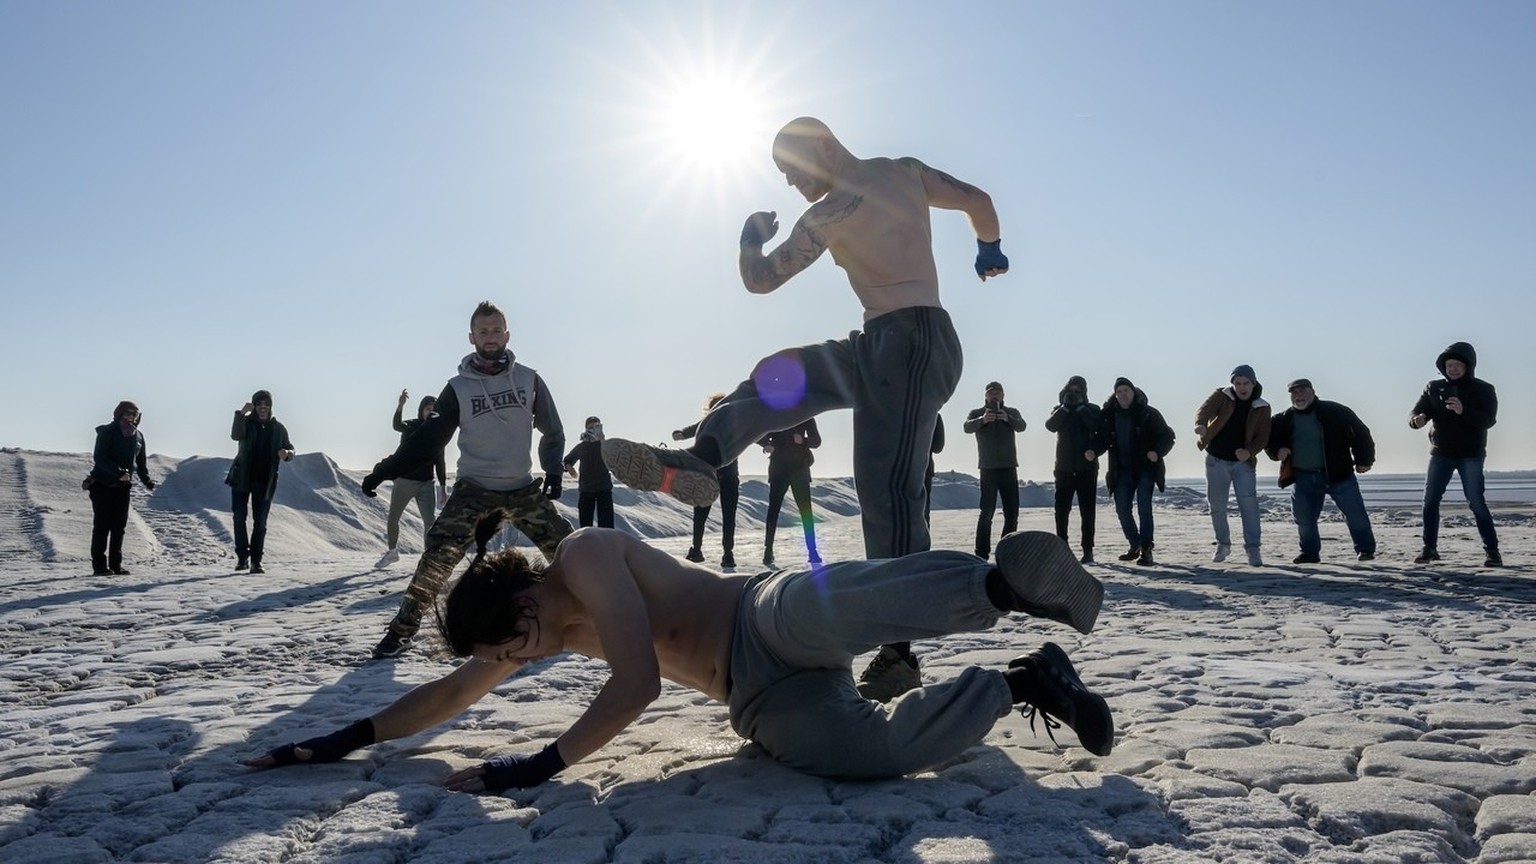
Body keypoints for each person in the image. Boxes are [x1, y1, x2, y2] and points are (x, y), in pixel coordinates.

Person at [244, 514, 1113, 792]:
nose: (518, 662)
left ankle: (999, 586)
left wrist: (534, 767)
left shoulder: (585, 556)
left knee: (829, 604)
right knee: (864, 753)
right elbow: (445, 698)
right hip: (761, 700)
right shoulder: (524, 639)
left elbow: (639, 683)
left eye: (510, 645)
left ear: (520, 600)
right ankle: (1021, 681)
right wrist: (338, 740)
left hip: (759, 620)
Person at [602, 117, 1007, 701]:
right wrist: (989, 248)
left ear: (822, 144)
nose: (793, 184)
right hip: (874, 344)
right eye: (785, 179)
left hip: (917, 340)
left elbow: (761, 276)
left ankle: (899, 656)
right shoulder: (838, 207)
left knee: (885, 489)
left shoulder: (897, 176)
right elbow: (979, 204)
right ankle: (702, 459)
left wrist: (750, 239)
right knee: (779, 374)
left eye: (793, 170)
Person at [360, 301, 575, 659]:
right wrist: (384, 470)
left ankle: (595, 615)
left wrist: (553, 470)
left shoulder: (529, 379)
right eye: (483, 331)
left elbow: (552, 429)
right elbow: (427, 440)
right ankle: (401, 632)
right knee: (438, 556)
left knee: (572, 551)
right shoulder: (458, 388)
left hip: (521, 487)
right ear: (471, 337)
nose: (490, 338)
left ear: (507, 334)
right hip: (474, 489)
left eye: (496, 330)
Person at [1408, 341, 1501, 567]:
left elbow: (1488, 420)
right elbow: (1417, 410)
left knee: (1476, 502)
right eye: (1449, 365)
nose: (1453, 369)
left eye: (1457, 365)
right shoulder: (1434, 387)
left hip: (1471, 454)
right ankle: (1429, 548)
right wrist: (1416, 420)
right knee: (1430, 501)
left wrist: (1463, 410)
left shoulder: (1483, 389)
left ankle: (1492, 551)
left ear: (1468, 366)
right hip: (1441, 453)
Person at [1265, 379, 1377, 564]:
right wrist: (1277, 451)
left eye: (1302, 391)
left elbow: (1361, 434)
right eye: (1294, 392)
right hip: (1303, 477)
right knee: (1303, 518)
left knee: (1355, 514)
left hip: (1338, 475)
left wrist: (1364, 461)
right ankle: (1309, 553)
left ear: (1312, 392)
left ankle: (1365, 549)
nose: (1298, 395)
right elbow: (1269, 441)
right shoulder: (1282, 419)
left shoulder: (1335, 412)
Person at [1194, 365, 1272, 566]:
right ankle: (1223, 544)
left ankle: (1253, 549)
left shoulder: (1262, 406)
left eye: (1246, 383)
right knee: (1217, 505)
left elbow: (1263, 436)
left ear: (1253, 384)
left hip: (1242, 464)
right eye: (1238, 383)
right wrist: (1201, 424)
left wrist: (1249, 452)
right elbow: (1204, 410)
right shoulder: (1222, 395)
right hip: (1216, 460)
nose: (1241, 387)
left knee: (1249, 506)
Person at [1092, 378, 1174, 566]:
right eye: (1119, 391)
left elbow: (1167, 436)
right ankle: (1134, 544)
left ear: (1133, 392)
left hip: (1145, 468)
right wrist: (1093, 451)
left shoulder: (1148, 413)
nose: (1123, 394)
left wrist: (1157, 452)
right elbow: (1102, 440)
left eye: (1126, 390)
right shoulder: (1109, 416)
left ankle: (1146, 549)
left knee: (1144, 508)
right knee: (1122, 509)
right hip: (1121, 470)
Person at [378, 390, 449, 568]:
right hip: (404, 481)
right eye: (427, 409)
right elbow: (397, 425)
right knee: (393, 517)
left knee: (430, 522)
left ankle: (429, 558)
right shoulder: (411, 426)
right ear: (421, 410)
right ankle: (392, 552)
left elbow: (440, 461)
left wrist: (443, 487)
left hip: (426, 484)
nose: (430, 412)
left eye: (434, 409)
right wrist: (400, 405)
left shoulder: (438, 432)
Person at [228, 390, 295, 574]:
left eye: (266, 405)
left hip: (265, 481)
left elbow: (290, 448)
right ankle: (242, 558)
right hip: (241, 478)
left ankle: (256, 561)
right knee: (239, 517)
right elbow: (235, 435)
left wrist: (287, 454)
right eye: (259, 405)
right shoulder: (246, 423)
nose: (263, 408)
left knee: (261, 522)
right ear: (254, 407)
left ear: (270, 407)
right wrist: (241, 414)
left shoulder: (278, 428)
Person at [86, 400, 155, 576]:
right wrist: (117, 472)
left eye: (135, 414)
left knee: (119, 527)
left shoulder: (138, 436)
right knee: (102, 526)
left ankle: (116, 565)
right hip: (102, 485)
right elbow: (99, 458)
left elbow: (140, 463)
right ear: (119, 414)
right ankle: (100, 566)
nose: (131, 417)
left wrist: (146, 480)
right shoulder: (107, 432)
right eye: (128, 413)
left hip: (123, 487)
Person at [674, 394, 741, 568]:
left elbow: (753, 433)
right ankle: (699, 551)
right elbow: (692, 429)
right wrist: (681, 433)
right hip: (710, 476)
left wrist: (766, 441)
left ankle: (726, 553)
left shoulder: (731, 425)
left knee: (723, 516)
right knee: (705, 515)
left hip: (722, 476)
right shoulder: (711, 424)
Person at [963, 382, 1028, 561]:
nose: (994, 396)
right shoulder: (977, 413)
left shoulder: (1011, 412)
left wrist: (1007, 418)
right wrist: (983, 420)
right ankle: (981, 553)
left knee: (1012, 512)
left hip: (1008, 468)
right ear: (985, 396)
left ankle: (1007, 552)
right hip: (988, 469)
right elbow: (967, 427)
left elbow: (1022, 426)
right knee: (986, 512)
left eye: (997, 393)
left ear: (1003, 395)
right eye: (991, 393)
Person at [1045, 376, 1102, 564]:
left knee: (1087, 510)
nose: (1075, 394)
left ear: (1084, 392)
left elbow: (1097, 428)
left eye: (1079, 391)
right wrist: (1065, 408)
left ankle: (1088, 549)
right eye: (1072, 390)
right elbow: (1050, 426)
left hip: (1087, 468)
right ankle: (1062, 545)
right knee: (1061, 509)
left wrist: (1081, 409)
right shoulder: (1059, 410)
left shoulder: (1092, 410)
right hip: (1064, 468)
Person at [759, 418, 823, 567]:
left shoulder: (806, 415)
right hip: (779, 470)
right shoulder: (773, 414)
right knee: (773, 511)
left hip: (799, 470)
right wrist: (766, 444)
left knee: (805, 512)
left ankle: (812, 551)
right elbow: (757, 434)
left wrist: (803, 440)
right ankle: (768, 552)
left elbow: (817, 441)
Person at [562, 416, 615, 529]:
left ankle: (608, 546)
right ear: (586, 429)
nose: (593, 430)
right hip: (586, 489)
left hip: (604, 488)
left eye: (596, 427)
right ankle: (587, 545)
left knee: (607, 526)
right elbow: (567, 460)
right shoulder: (583, 446)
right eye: (591, 427)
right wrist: (570, 468)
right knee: (585, 526)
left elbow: (614, 460)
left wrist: (603, 441)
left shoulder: (605, 445)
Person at [924, 415, 945, 526]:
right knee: (923, 511)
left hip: (900, 468)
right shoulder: (933, 414)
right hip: (924, 468)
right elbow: (938, 446)